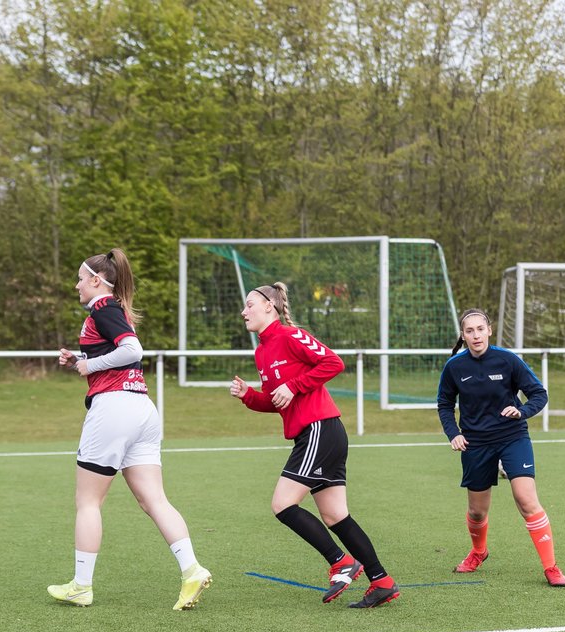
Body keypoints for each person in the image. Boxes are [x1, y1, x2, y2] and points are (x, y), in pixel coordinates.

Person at [47, 249, 212, 611]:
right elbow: (117, 355)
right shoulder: (112, 311)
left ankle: (81, 586)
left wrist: (90, 365)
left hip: (115, 409)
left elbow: (131, 350)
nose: (75, 284)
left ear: (96, 281)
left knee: (88, 501)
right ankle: (192, 570)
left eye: (79, 278)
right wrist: (80, 360)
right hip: (141, 409)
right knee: (154, 500)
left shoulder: (104, 308)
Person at [230, 282, 400, 608]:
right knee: (336, 515)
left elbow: (333, 363)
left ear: (270, 305)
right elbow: (279, 402)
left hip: (320, 429)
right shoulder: (262, 351)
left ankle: (341, 563)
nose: (244, 311)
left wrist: (293, 386)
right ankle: (382, 581)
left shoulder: (291, 335)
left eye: (249, 304)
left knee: (283, 504)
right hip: (314, 434)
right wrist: (249, 396)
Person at [437, 308, 565, 587]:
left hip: (512, 437)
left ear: (489, 330)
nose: (476, 335)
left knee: (526, 499)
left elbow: (539, 394)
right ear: (463, 335)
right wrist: (454, 433)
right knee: (477, 512)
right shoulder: (455, 367)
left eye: (480, 329)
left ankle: (551, 567)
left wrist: (521, 412)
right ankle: (478, 552)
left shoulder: (508, 360)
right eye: (469, 331)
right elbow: (445, 405)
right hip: (476, 443)